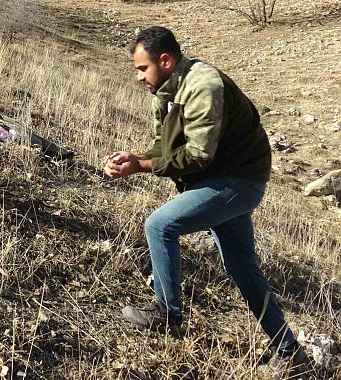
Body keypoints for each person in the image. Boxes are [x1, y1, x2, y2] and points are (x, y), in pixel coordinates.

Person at [104, 26, 310, 376]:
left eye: (142, 68)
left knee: (159, 225)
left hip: (239, 181)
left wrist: (142, 166)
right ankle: (290, 351)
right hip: (222, 179)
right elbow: (166, 146)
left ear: (165, 60)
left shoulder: (203, 85)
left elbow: (198, 154)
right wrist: (136, 158)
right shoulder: (165, 89)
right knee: (243, 269)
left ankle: (167, 314)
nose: (139, 77)